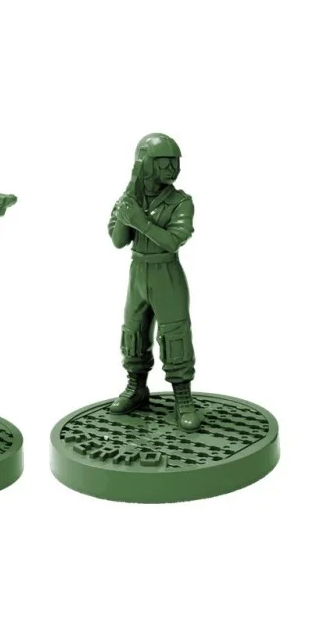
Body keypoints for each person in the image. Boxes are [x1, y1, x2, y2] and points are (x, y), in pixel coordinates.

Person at [108, 133, 204, 431]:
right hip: (138, 270)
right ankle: (136, 387)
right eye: (165, 163)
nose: (173, 169)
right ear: (146, 164)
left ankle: (183, 399)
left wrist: (140, 221)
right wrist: (128, 200)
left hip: (166, 272)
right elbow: (118, 240)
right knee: (133, 330)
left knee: (175, 334)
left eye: (175, 162)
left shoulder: (180, 202)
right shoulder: (130, 200)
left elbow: (173, 241)